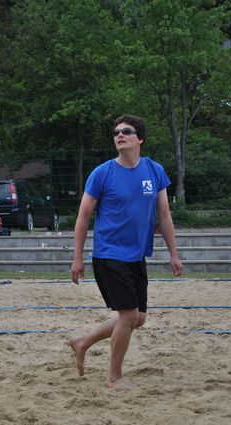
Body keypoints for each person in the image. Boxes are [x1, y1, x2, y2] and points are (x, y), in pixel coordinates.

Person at [69, 115, 183, 388]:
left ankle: (82, 342)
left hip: (136, 255)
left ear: (139, 138)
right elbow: (83, 217)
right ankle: (114, 377)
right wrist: (77, 258)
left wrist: (174, 254)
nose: (119, 135)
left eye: (126, 131)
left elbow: (164, 216)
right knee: (129, 316)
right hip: (109, 254)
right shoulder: (103, 173)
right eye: (116, 132)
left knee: (138, 318)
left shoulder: (154, 170)